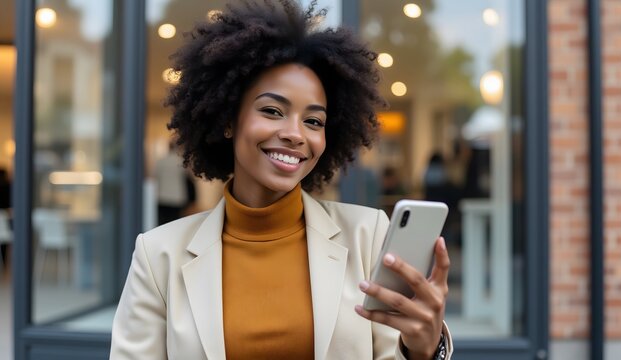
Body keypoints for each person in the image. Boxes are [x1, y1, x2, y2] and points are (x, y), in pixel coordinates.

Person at [110, 1, 452, 359]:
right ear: (229, 120)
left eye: (314, 121)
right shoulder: (159, 255)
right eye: (272, 111)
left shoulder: (369, 237)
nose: (295, 134)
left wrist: (424, 351)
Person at [154, 141, 197, 225]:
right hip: (177, 197)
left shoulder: (161, 161)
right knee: (175, 223)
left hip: (162, 196)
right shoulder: (181, 162)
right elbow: (189, 177)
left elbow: (156, 177)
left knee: (163, 223)